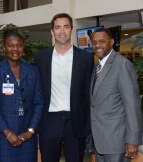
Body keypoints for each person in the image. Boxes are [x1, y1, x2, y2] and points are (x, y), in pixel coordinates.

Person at [34, 13, 94, 162]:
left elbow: (89, 93)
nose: (62, 31)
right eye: (58, 27)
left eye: (66, 27)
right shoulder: (40, 58)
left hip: (75, 121)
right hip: (49, 120)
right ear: (52, 31)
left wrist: (88, 124)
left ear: (72, 30)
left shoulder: (85, 59)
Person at [0, 30, 43, 162]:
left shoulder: (33, 71)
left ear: (23, 48)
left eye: (19, 45)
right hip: (2, 136)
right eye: (11, 45)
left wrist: (30, 130)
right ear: (4, 48)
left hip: (27, 137)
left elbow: (39, 103)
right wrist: (7, 132)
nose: (15, 49)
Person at [90, 28, 142, 162]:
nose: (97, 45)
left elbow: (132, 106)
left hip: (117, 142)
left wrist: (133, 141)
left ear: (112, 42)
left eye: (102, 42)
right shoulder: (96, 67)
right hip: (99, 141)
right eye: (94, 42)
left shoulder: (122, 64)